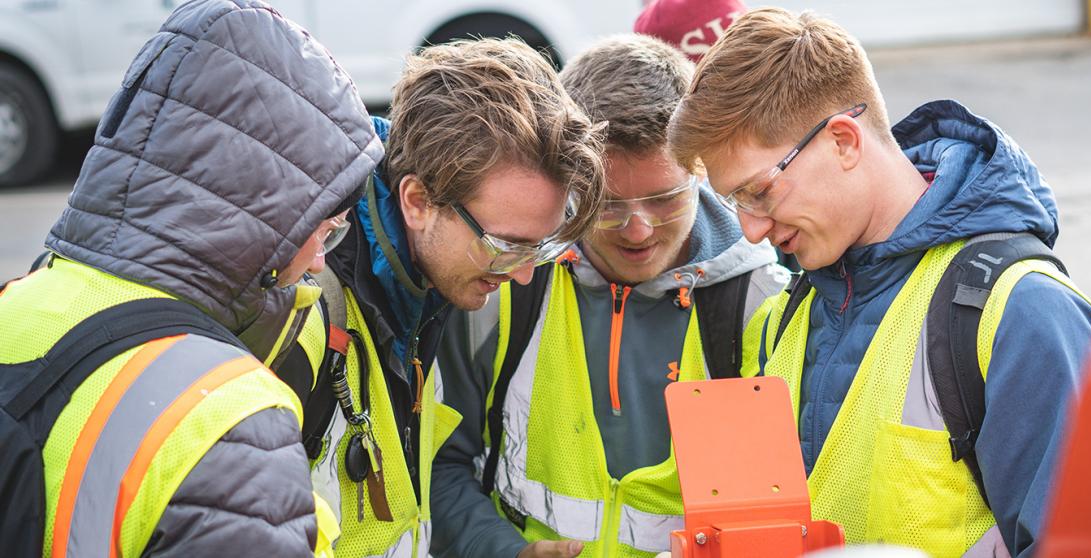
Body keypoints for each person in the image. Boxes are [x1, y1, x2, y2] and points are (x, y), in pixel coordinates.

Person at [668, 8, 1091, 557]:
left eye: (759, 192)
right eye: (735, 204)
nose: (752, 231)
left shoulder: (1023, 313)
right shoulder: (785, 314)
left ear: (845, 141)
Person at [0, 0, 381, 556]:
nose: (320, 262)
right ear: (263, 209)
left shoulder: (20, 298)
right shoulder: (233, 421)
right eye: (323, 229)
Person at [428, 34, 790, 558]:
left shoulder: (759, 305)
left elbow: (769, 520)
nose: (638, 231)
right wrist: (505, 550)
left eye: (665, 199)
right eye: (608, 204)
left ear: (702, 172)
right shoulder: (503, 287)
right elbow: (439, 464)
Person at [278, 38, 606, 558]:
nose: (523, 276)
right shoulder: (302, 314)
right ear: (417, 202)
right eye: (504, 246)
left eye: (538, 248)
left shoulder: (425, 284)